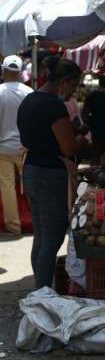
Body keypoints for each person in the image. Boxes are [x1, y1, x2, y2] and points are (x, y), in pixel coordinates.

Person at [17, 57, 89, 290]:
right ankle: (43, 294)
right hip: (50, 176)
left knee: (40, 237)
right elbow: (68, 148)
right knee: (52, 239)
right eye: (74, 84)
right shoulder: (53, 106)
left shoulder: (29, 100)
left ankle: (40, 291)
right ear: (64, 81)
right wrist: (81, 137)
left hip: (31, 170)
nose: (74, 90)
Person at [0, 55, 33, 235]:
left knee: (7, 187)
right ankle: (36, 222)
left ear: (3, 70)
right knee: (29, 185)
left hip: (2, 148)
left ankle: (13, 226)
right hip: (25, 148)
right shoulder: (29, 93)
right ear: (20, 73)